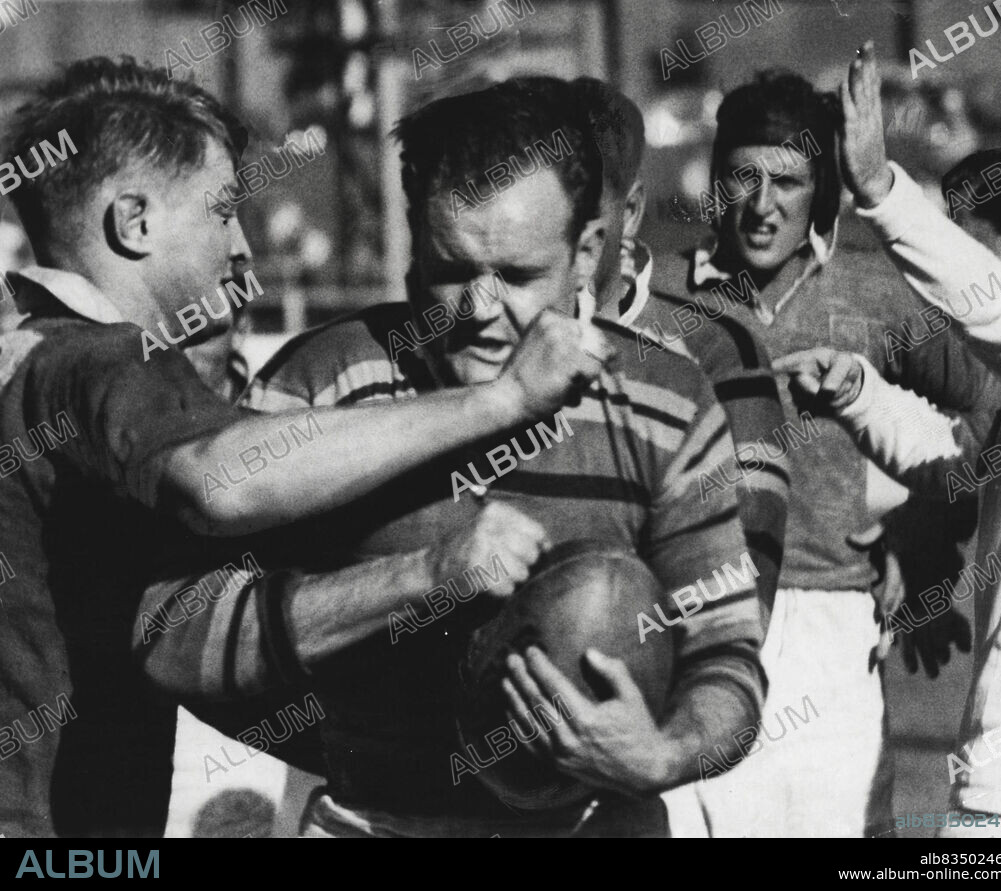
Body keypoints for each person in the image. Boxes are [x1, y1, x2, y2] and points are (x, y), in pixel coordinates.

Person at [134, 78, 767, 838]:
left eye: (522, 276)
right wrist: (419, 579)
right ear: (412, 244)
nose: (481, 312)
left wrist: (661, 753)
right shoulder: (324, 382)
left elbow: (727, 657)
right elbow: (171, 630)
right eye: (452, 271)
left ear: (586, 253)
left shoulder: (667, 399)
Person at [0, 56, 605, 839]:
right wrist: (502, 399)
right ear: (135, 223)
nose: (242, 246)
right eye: (222, 212)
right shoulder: (99, 361)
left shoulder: (23, 351)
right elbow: (222, 479)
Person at [628, 67, 1001, 837]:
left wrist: (921, 530)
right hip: (690, 609)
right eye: (743, 177)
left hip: (829, 619)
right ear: (714, 182)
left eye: (789, 181)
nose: (762, 206)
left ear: (822, 189)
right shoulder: (657, 299)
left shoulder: (874, 290)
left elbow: (991, 405)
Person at [775, 41, 1001, 836]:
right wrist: (859, 392)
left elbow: (990, 304)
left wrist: (882, 190)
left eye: (979, 237)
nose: (969, 259)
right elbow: (963, 466)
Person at [568, 75, 788, 628]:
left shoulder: (716, 350)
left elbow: (746, 585)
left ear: (633, 210)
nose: (561, 242)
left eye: (583, 220)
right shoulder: (493, 337)